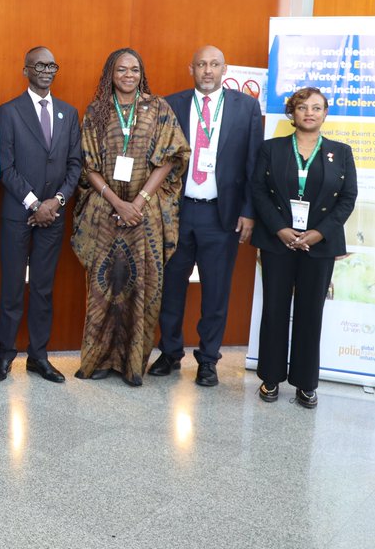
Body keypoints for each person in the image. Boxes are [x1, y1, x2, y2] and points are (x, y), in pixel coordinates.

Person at [70, 48, 189, 387]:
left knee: (142, 286)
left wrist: (138, 201)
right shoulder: (96, 111)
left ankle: (133, 364)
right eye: (121, 70)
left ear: (141, 73)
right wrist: (116, 202)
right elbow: (88, 165)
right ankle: (99, 360)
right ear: (110, 73)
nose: (128, 75)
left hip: (144, 214)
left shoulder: (159, 108)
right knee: (103, 288)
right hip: (105, 213)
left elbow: (170, 158)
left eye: (134, 70)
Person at [150, 46, 262, 387]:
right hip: (178, 213)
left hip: (221, 216)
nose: (208, 71)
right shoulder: (172, 104)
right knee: (171, 288)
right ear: (191, 68)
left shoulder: (246, 107)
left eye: (214, 65)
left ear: (224, 68)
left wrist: (249, 212)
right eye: (201, 64)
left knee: (215, 291)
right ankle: (170, 353)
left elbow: (254, 163)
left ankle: (208, 359)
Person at [251, 87, 356, 409]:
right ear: (292, 113)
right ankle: (270, 377)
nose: (309, 113)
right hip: (277, 241)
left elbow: (347, 198)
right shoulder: (272, 149)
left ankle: (306, 383)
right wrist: (280, 229)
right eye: (302, 107)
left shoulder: (341, 151)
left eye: (316, 107)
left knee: (311, 313)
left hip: (319, 245)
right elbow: (258, 191)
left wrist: (319, 233)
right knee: (274, 310)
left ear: (325, 113)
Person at [0, 46, 82, 384]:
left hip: (53, 217)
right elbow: (5, 165)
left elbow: (75, 165)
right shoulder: (9, 112)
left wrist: (56, 201)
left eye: (52, 65)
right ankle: (4, 357)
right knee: (13, 288)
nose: (47, 70)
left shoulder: (68, 113)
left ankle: (39, 357)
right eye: (39, 65)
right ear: (25, 69)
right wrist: (34, 202)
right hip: (19, 214)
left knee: (43, 289)